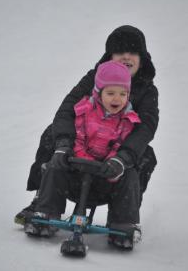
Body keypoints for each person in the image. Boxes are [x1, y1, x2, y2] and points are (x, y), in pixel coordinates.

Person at [15, 25, 159, 246]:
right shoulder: (94, 79)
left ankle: (124, 220)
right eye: (120, 52)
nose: (126, 57)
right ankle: (42, 202)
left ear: (142, 58)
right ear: (110, 56)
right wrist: (64, 145)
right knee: (51, 133)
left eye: (133, 52)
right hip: (77, 159)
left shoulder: (147, 91)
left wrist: (123, 158)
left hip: (112, 168)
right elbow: (66, 110)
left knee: (145, 154)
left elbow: (145, 128)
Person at [24, 60, 142, 248]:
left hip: (104, 178)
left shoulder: (128, 120)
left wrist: (114, 163)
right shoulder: (84, 111)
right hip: (75, 173)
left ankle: (123, 224)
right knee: (55, 165)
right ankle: (46, 212)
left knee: (130, 175)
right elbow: (77, 137)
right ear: (98, 92)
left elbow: (121, 145)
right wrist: (75, 157)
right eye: (110, 93)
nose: (116, 99)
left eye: (122, 94)